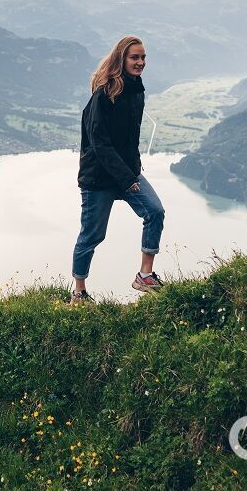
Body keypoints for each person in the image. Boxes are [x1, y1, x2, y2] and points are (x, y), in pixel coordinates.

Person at [71, 35, 166, 304]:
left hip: (127, 172)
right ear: (121, 59)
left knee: (155, 212)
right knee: (92, 235)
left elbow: (130, 138)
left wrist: (133, 169)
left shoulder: (137, 91)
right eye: (134, 57)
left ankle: (145, 276)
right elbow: (99, 143)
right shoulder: (104, 95)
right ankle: (79, 292)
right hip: (99, 177)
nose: (140, 62)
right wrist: (126, 177)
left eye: (143, 57)